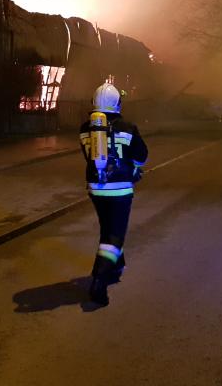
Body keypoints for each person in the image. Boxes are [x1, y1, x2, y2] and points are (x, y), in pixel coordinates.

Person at [79, 81, 148, 306]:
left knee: (108, 228)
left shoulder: (84, 129)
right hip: (120, 189)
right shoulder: (128, 127)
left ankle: (116, 265)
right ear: (117, 103)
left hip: (95, 188)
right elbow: (141, 157)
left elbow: (88, 157)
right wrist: (133, 167)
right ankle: (99, 281)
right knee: (114, 236)